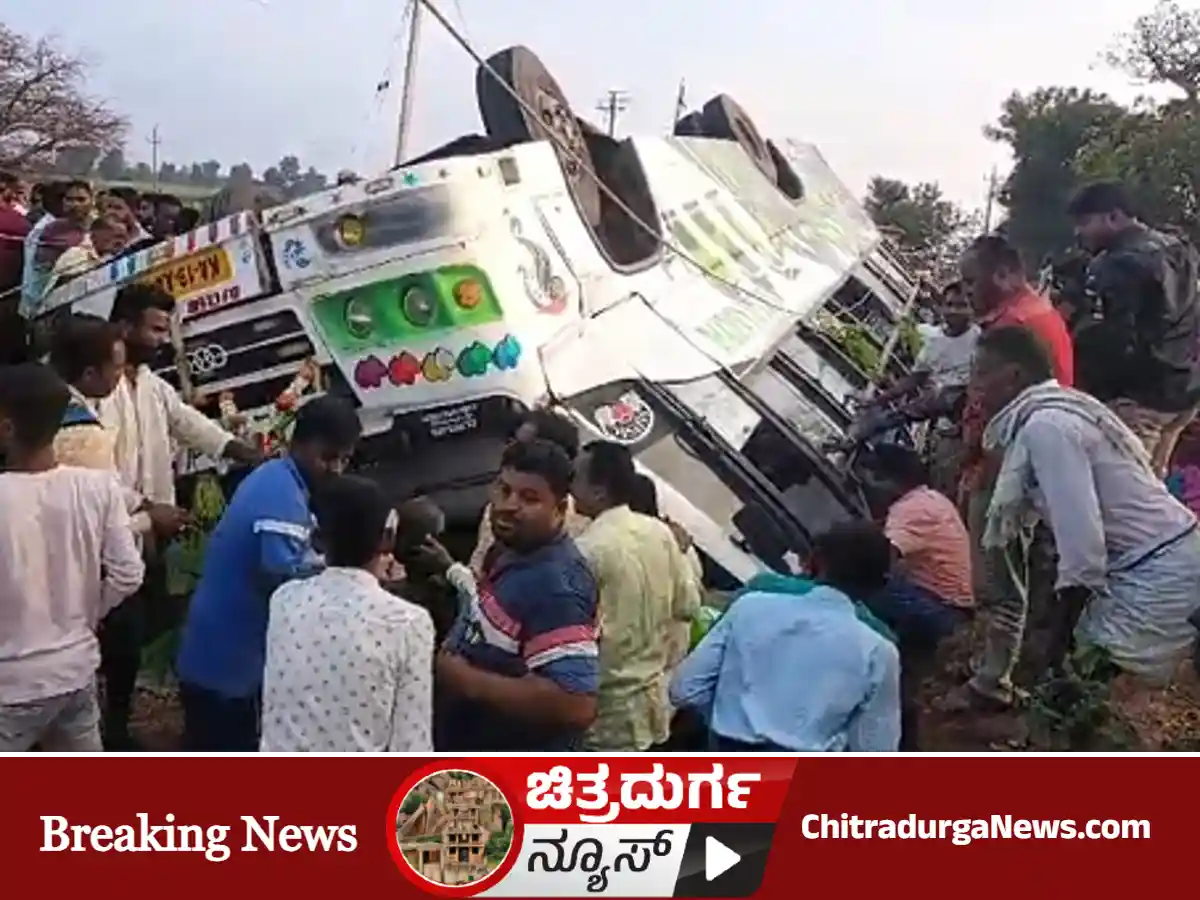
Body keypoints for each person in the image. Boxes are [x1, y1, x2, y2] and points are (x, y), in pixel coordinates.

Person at [968, 325, 1200, 684]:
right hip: (1163, 557)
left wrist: (1056, 649)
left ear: (1012, 376)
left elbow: (1083, 553)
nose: (975, 386)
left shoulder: (1046, 427)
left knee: (1086, 690)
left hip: (1159, 569)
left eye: (980, 373)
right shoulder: (1060, 410)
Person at [97, 282, 263, 748]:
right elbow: (93, 473)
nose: (161, 340)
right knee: (117, 630)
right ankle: (105, 728)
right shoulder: (95, 388)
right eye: (153, 329)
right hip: (115, 531)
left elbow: (190, 424)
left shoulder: (152, 385)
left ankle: (116, 720)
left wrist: (239, 451)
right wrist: (152, 511)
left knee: (135, 629)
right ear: (123, 327)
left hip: (150, 533)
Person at [175, 394, 362, 751]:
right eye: (328, 457)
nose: (336, 469)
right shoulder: (281, 498)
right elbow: (287, 582)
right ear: (299, 444)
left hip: (219, 657)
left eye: (345, 459)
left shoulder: (276, 477)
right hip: (227, 669)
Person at [951, 234, 1074, 709]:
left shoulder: (1019, 327)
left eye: (970, 281)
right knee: (998, 572)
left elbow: (1009, 410)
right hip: (1003, 458)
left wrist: (984, 469)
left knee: (1002, 577)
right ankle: (990, 663)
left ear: (1003, 275)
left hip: (1006, 463)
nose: (965, 293)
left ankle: (991, 682)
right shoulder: (1033, 315)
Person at [0, 363, 144, 753]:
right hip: (75, 672)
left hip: (11, 685)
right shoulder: (96, 487)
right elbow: (128, 574)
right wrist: (87, 613)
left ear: (7, 428)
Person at [669, 521, 901, 753]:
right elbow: (875, 749)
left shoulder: (751, 606)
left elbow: (684, 690)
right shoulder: (879, 653)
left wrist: (729, 718)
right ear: (880, 586)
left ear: (814, 560)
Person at [436, 438, 600, 751]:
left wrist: (469, 682)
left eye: (529, 498)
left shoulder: (558, 587)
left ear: (560, 508)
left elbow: (577, 704)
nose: (509, 505)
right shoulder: (511, 550)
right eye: (504, 489)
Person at [260, 475, 434, 752]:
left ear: (317, 541)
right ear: (387, 540)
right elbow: (411, 743)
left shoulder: (284, 600)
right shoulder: (409, 623)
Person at [571, 441, 701, 751]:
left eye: (575, 478)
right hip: (651, 711)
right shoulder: (660, 534)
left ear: (599, 491)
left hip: (602, 717)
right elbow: (689, 606)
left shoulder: (586, 552)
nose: (570, 487)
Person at [1068, 182, 1200, 477]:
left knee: (1126, 501)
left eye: (1085, 222)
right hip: (1184, 392)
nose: (1079, 232)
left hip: (1141, 399)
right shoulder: (1180, 248)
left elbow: (1113, 341)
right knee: (1154, 492)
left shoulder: (1117, 265)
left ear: (1114, 217)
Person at [468, 407, 589, 574]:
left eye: (530, 499)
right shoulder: (497, 506)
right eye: (511, 441)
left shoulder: (583, 531)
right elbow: (477, 568)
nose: (508, 449)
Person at [44, 215, 128, 294]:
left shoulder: (113, 258)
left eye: (124, 238)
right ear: (95, 234)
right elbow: (66, 287)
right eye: (117, 236)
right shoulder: (76, 254)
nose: (120, 242)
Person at [19, 182, 64, 319]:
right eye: (70, 199)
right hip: (40, 300)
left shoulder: (47, 224)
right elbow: (44, 267)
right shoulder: (51, 229)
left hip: (32, 296)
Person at [34, 180, 93, 276]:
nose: (75, 204)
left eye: (81, 199)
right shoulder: (51, 229)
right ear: (63, 201)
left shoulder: (99, 227)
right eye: (69, 199)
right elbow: (42, 267)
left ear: (92, 201)